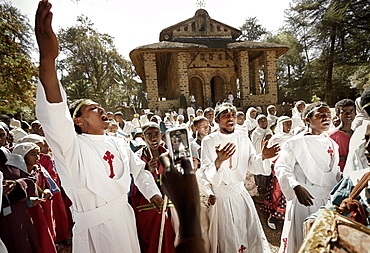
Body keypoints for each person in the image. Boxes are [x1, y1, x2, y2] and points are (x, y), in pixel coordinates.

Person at [35, 1, 163, 252]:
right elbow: (54, 111)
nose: (102, 109)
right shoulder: (70, 147)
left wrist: (153, 194)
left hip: (125, 220)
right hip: (96, 230)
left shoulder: (119, 142)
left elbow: (139, 172)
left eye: (100, 106)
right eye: (93, 108)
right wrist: (48, 59)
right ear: (77, 121)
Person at [201, 103, 279, 252]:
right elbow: (205, 172)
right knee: (227, 238)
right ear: (216, 120)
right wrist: (218, 161)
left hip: (240, 194)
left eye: (233, 115)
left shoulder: (243, 137)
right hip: (221, 198)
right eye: (225, 116)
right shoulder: (209, 141)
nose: (231, 118)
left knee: (247, 234)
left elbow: (251, 163)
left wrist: (263, 157)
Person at [275, 102, 342, 253]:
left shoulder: (332, 144)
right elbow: (282, 167)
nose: (326, 117)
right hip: (305, 198)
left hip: (328, 201)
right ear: (307, 119)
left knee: (324, 243)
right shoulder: (294, 143)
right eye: (320, 115)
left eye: (328, 114)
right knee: (305, 241)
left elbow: (334, 172)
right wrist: (295, 186)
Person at [131, 122, 177, 253]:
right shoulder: (137, 158)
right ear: (143, 137)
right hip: (148, 205)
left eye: (156, 134)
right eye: (149, 135)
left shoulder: (169, 155)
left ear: (161, 136)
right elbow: (133, 183)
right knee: (152, 237)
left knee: (169, 234)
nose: (153, 138)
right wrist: (148, 170)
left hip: (168, 202)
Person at [0, 147, 38, 253]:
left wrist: (17, 184)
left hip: (18, 213)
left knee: (22, 243)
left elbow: (30, 180)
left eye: (2, 135)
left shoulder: (15, 160)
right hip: (1, 216)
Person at [262, 116, 293, 230]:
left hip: (291, 170)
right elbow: (270, 156)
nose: (289, 126)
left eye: (290, 124)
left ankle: (285, 216)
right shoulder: (275, 139)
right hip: (279, 170)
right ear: (280, 126)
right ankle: (273, 216)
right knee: (277, 192)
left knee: (288, 193)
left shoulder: (294, 138)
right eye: (287, 124)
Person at [329, 99, 356, 172]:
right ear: (337, 115)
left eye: (352, 111)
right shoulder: (332, 136)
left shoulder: (356, 134)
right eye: (344, 112)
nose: (349, 115)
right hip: (339, 172)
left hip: (354, 170)